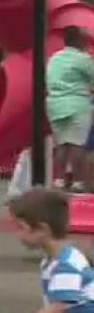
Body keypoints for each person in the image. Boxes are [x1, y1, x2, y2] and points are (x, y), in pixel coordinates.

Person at [47, 26, 94, 191]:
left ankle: (59, 180)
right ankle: (77, 182)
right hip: (77, 103)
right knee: (77, 144)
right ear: (79, 41)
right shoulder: (82, 59)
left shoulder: (55, 58)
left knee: (62, 144)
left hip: (55, 104)